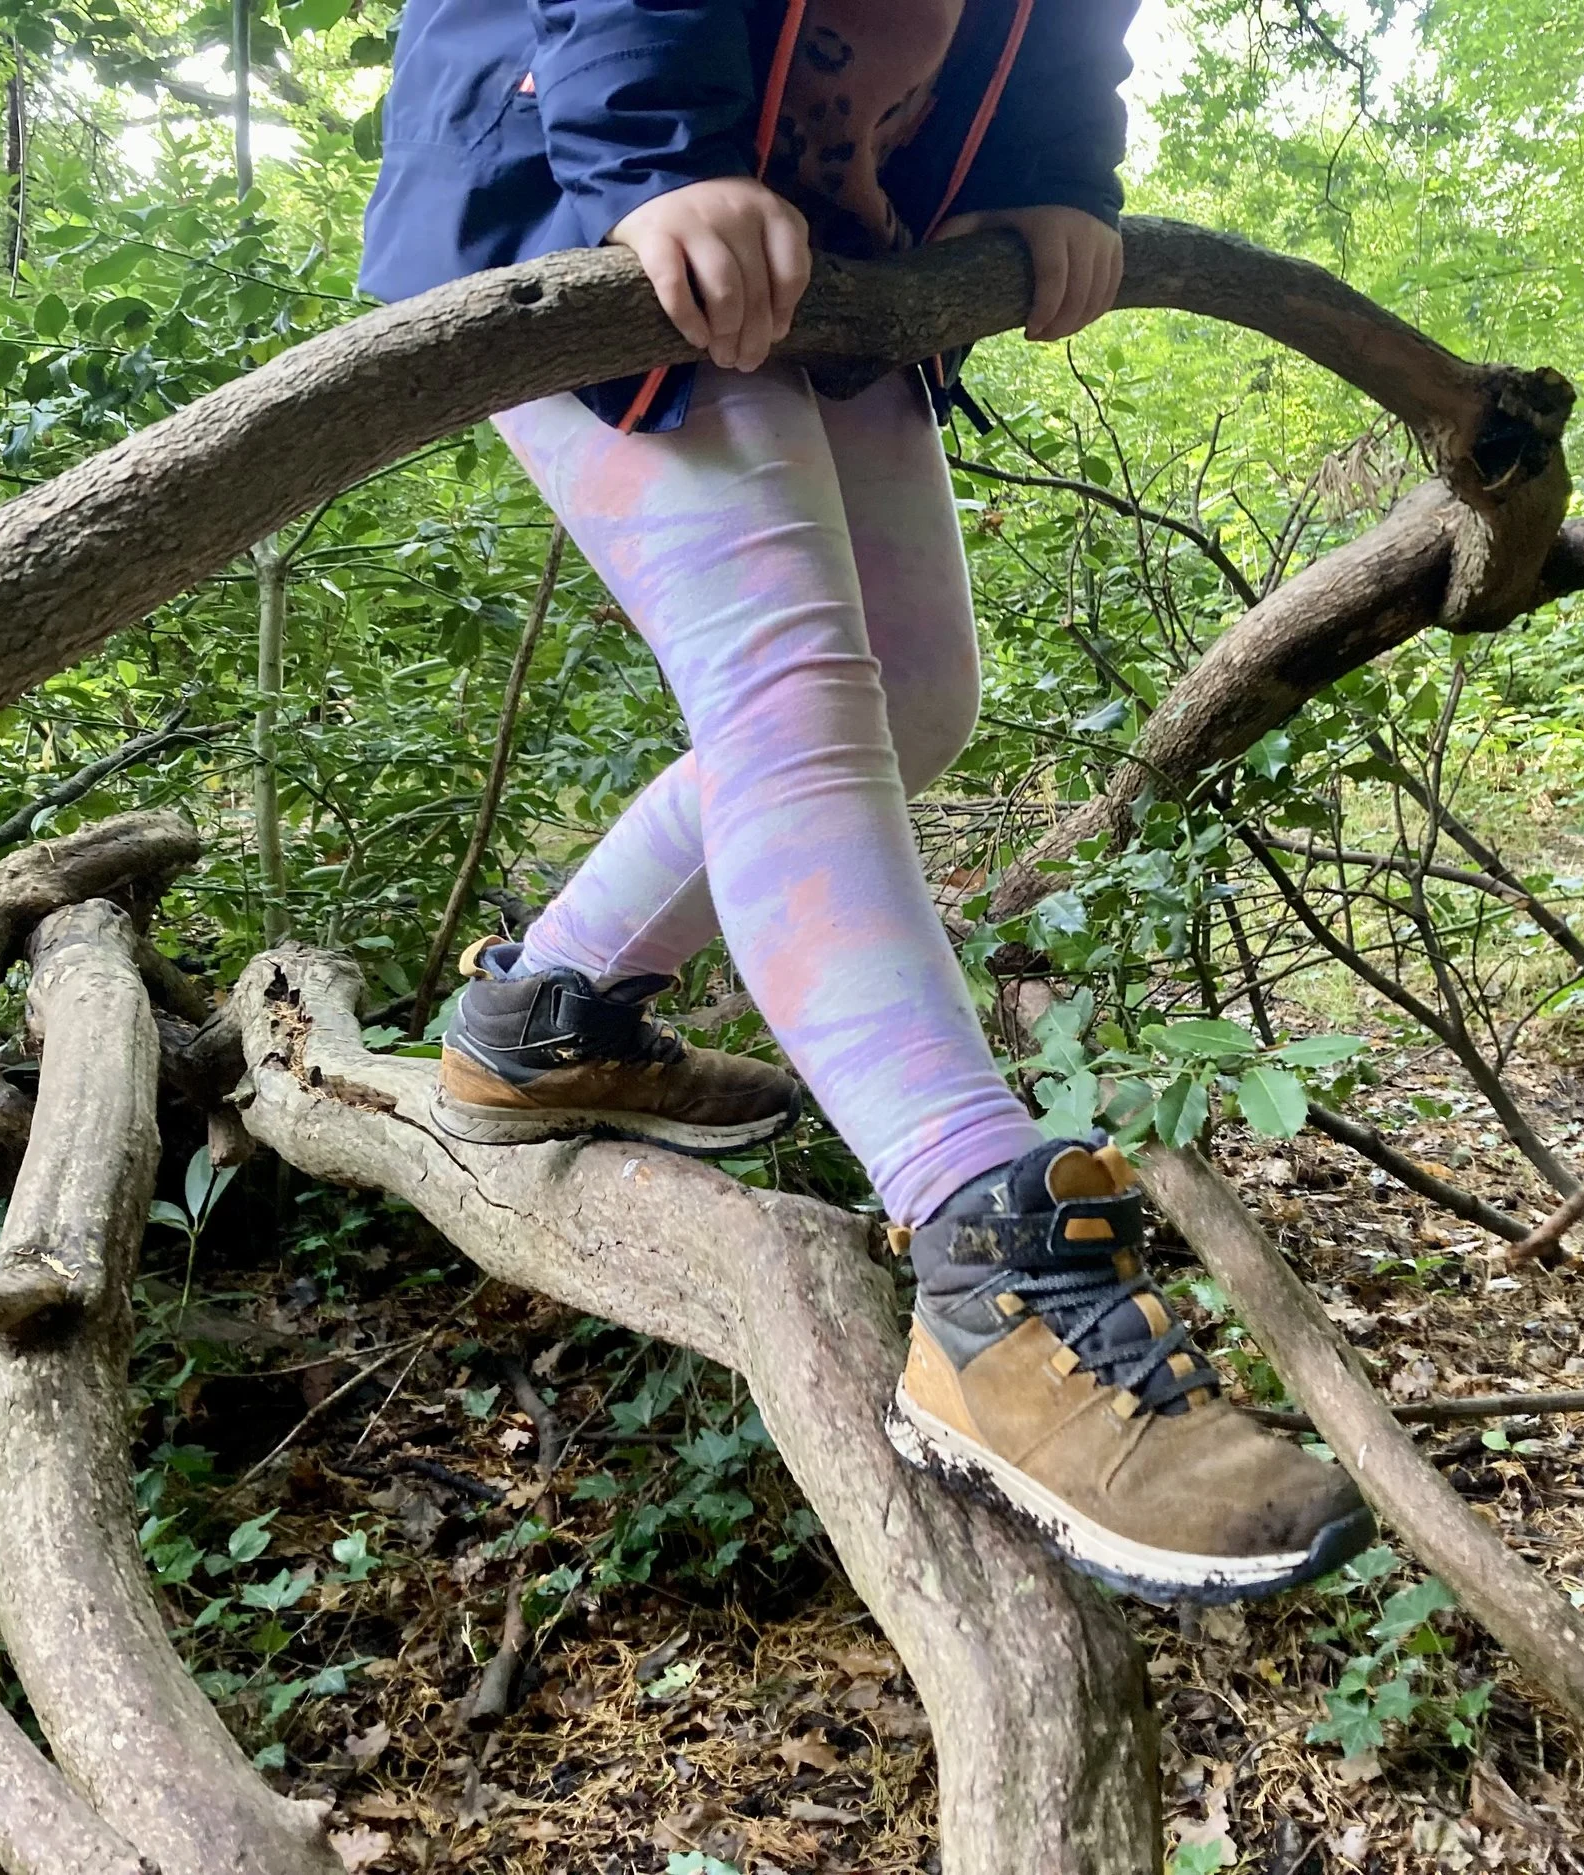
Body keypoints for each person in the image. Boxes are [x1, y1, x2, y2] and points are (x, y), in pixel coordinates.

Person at [361, 0, 1372, 1602]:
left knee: (912, 696)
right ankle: (993, 1288)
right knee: (791, 695)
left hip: (847, 240)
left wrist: (1054, 172)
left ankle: (545, 1010)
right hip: (597, 169)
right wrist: (658, 158)